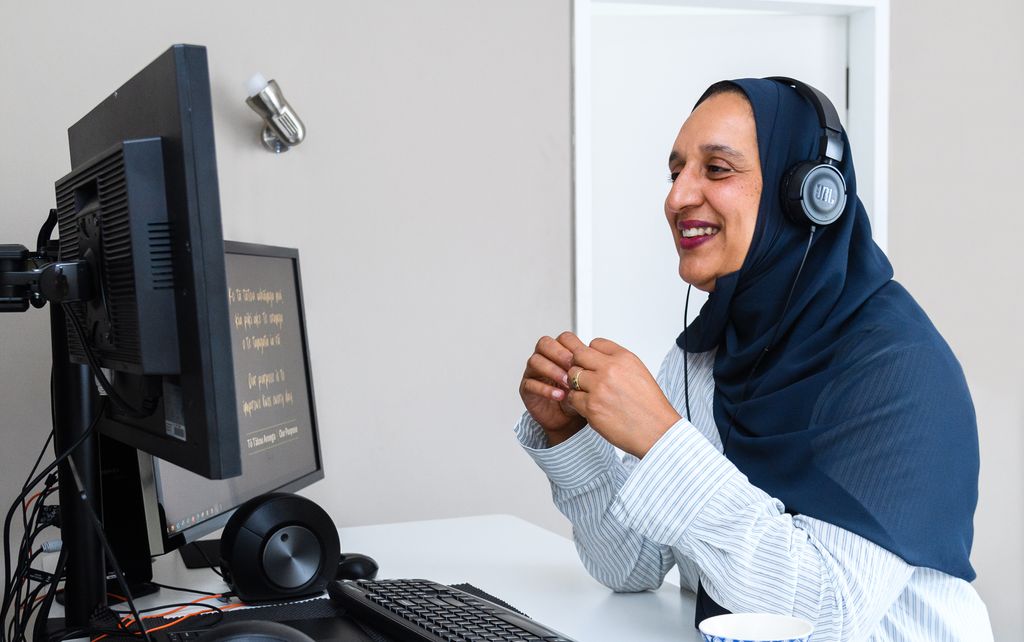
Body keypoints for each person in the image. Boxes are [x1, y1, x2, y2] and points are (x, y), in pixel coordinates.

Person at [515, 77, 993, 642]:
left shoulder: (896, 368)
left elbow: (825, 620)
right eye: (676, 173)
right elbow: (629, 566)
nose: (676, 198)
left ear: (812, 196)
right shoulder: (701, 361)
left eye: (716, 170)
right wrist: (572, 437)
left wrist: (663, 440)